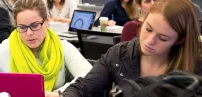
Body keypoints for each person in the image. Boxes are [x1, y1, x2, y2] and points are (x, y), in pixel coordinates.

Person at [61, 0, 202, 96]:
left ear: (180, 40)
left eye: (163, 38)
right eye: (148, 29)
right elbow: (83, 89)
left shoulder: (196, 68)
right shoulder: (119, 54)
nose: (149, 41)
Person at [0, 0, 92, 95]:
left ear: (47, 21)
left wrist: (58, 93)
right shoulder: (7, 48)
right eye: (22, 27)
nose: (29, 33)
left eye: (35, 25)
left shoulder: (62, 47)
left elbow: (90, 76)